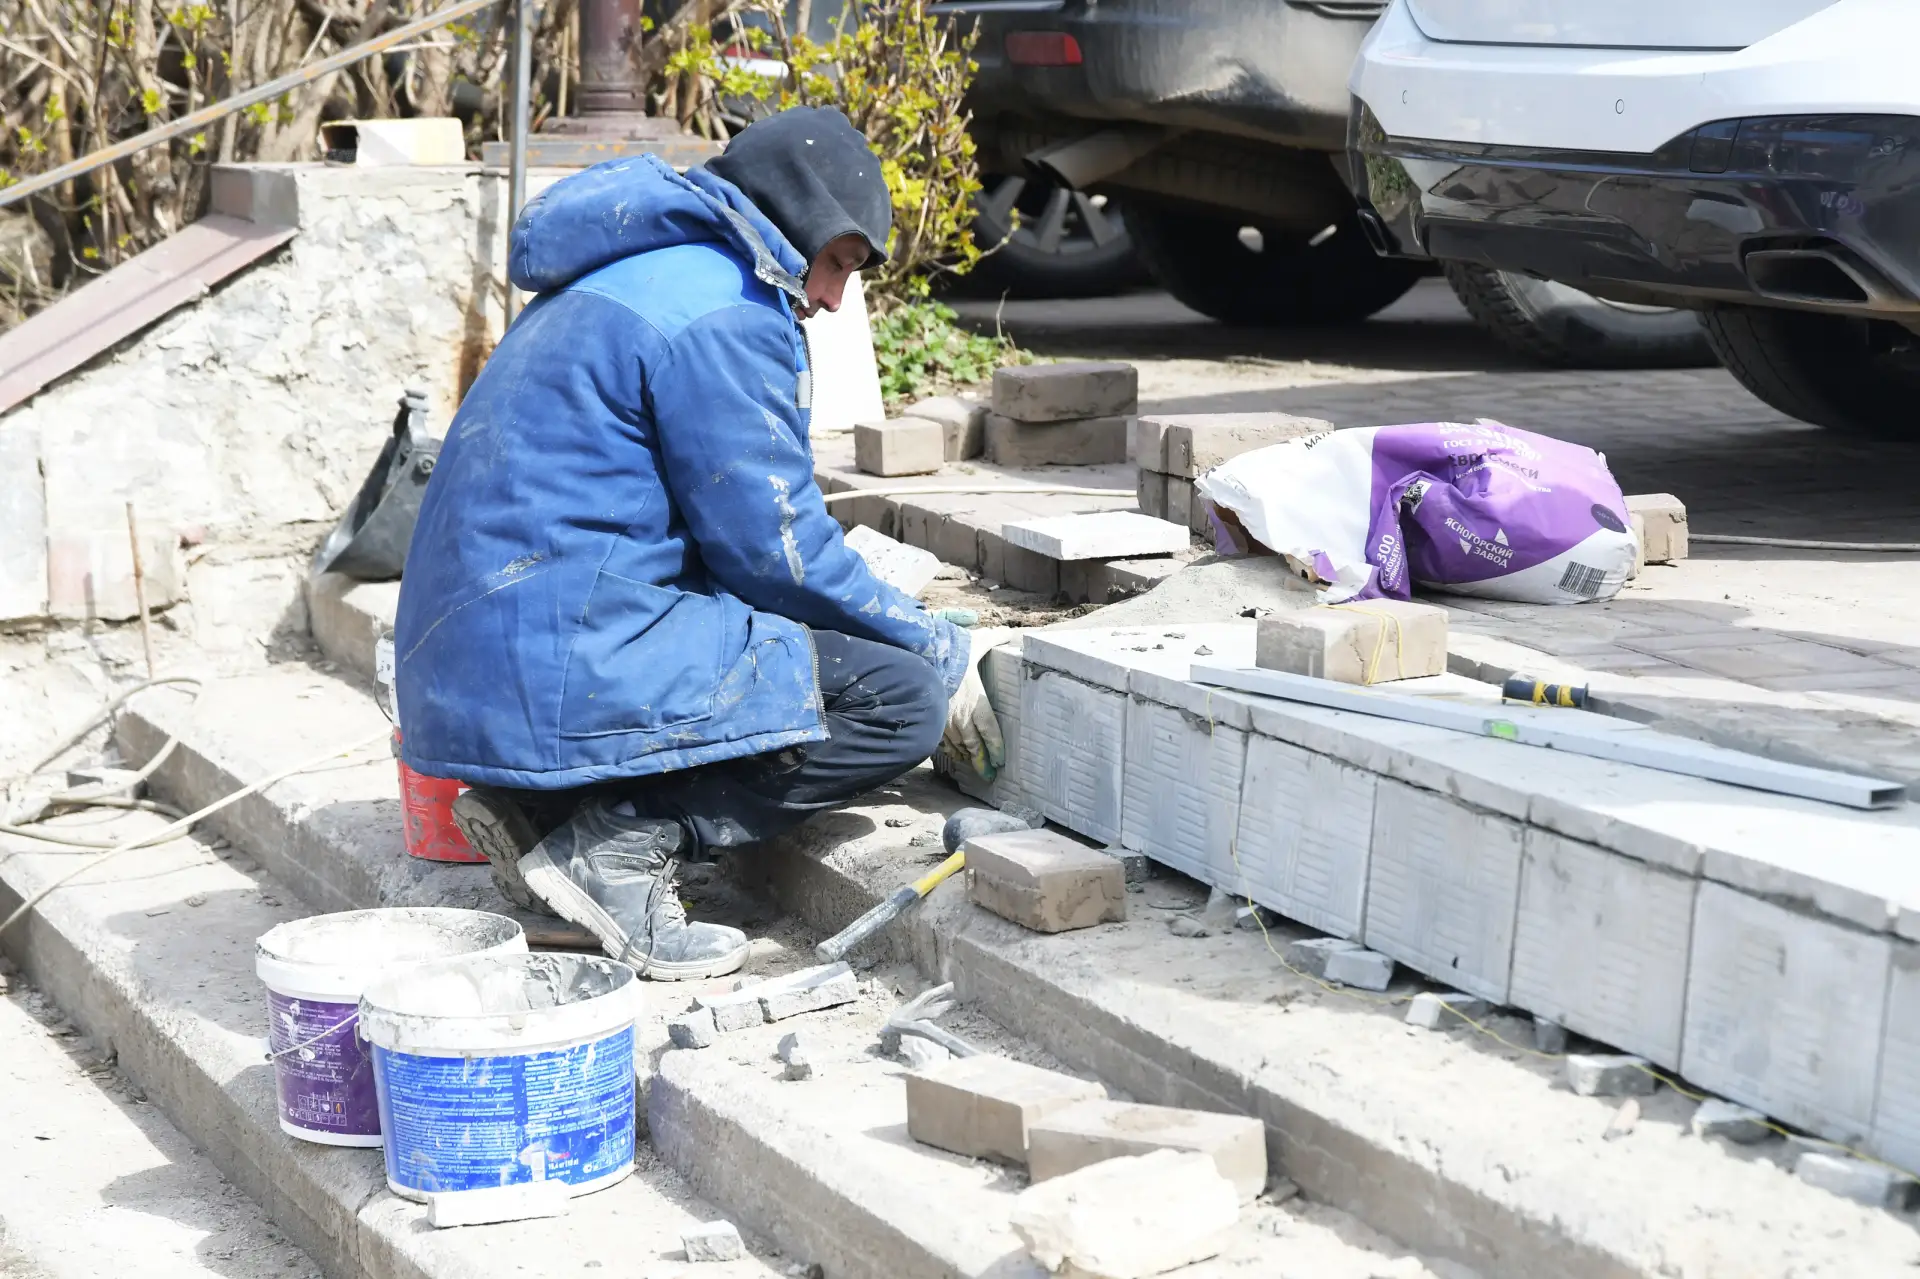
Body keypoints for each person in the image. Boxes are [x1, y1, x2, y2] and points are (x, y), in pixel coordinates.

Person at [392, 108, 1005, 981]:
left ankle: (541, 819)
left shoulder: (648, 265)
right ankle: (618, 849)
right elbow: (778, 554)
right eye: (837, 263)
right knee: (895, 699)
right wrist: (934, 643)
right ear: (796, 221)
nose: (834, 298)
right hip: (562, 648)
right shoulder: (728, 309)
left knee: (756, 639)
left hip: (476, 662)